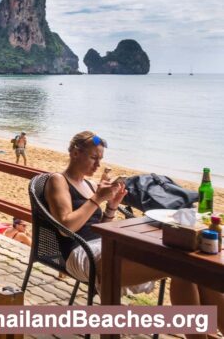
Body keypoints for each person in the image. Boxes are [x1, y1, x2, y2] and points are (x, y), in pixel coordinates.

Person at [45, 130, 207, 308]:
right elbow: (65, 227)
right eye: (93, 158)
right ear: (75, 153)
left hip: (100, 246)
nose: (98, 165)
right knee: (183, 270)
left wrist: (112, 206)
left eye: (100, 159)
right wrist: (97, 198)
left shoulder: (90, 184)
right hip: (78, 253)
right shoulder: (58, 180)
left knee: (192, 269)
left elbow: (98, 229)